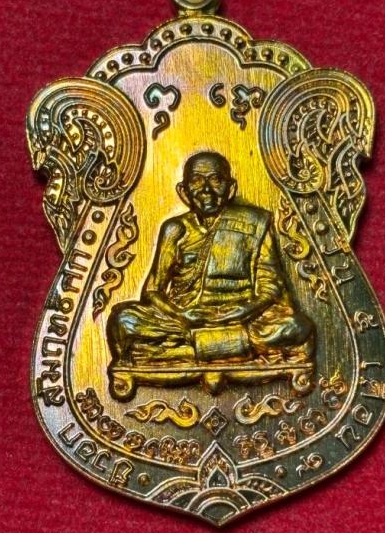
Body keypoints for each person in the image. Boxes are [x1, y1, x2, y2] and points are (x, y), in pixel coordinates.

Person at [107, 151, 314, 377]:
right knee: (124, 320)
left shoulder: (255, 222)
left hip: (241, 318)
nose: (206, 189)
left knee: (296, 327)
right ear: (183, 191)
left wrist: (244, 310)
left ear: (230, 188)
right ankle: (222, 349)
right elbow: (153, 289)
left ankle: (179, 354)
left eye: (215, 180)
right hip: (186, 319)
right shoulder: (175, 229)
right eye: (196, 180)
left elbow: (271, 287)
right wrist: (182, 315)